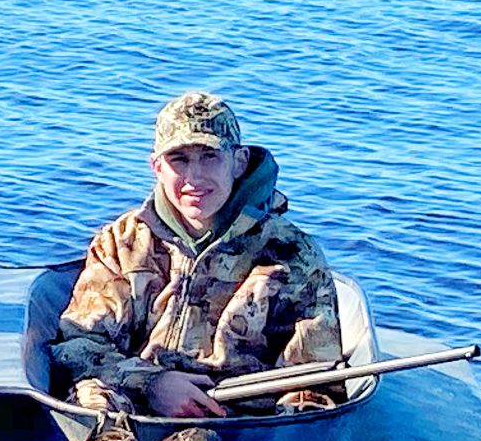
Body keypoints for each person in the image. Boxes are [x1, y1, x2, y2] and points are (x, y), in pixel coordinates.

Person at [52, 91, 343, 418]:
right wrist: (153, 383)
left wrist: (268, 417)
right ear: (157, 167)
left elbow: (315, 382)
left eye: (209, 156)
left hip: (235, 419)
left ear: (239, 162)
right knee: (91, 401)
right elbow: (77, 347)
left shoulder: (293, 254)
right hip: (136, 403)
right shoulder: (121, 243)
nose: (194, 178)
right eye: (179, 159)